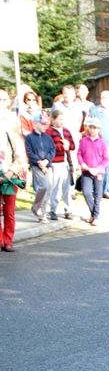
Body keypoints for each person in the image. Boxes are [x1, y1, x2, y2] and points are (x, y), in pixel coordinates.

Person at [0, 89, 28, 252]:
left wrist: (10, 172)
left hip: (9, 173)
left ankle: (8, 239)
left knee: (9, 211)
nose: (0, 103)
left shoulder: (12, 122)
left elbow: (20, 153)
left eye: (3, 100)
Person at [77, 116, 109, 226]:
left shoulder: (102, 142)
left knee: (98, 194)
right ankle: (94, 214)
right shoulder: (83, 141)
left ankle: (95, 216)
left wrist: (98, 169)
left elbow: (106, 158)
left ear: (99, 129)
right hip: (86, 171)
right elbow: (79, 154)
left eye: (95, 128)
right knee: (86, 192)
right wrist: (82, 164)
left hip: (98, 172)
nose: (93, 129)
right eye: (91, 127)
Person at [25, 111, 55, 222]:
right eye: (42, 123)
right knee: (45, 186)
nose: (45, 126)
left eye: (46, 124)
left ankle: (42, 213)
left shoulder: (48, 137)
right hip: (36, 165)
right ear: (35, 123)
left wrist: (47, 161)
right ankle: (37, 206)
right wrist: (39, 162)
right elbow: (30, 152)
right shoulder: (29, 138)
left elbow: (52, 150)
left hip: (48, 165)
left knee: (49, 187)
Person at [46, 109, 76, 220]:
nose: (61, 121)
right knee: (55, 187)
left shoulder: (67, 131)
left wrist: (68, 145)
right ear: (53, 120)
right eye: (59, 119)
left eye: (63, 119)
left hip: (66, 162)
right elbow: (50, 146)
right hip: (55, 162)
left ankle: (68, 210)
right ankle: (52, 210)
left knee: (67, 187)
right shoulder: (49, 132)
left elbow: (72, 146)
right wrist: (61, 146)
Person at [91, 90, 109, 198]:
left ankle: (107, 190)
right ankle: (98, 190)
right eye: (103, 98)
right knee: (99, 168)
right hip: (99, 144)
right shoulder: (95, 111)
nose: (105, 100)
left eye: (108, 98)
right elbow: (89, 125)